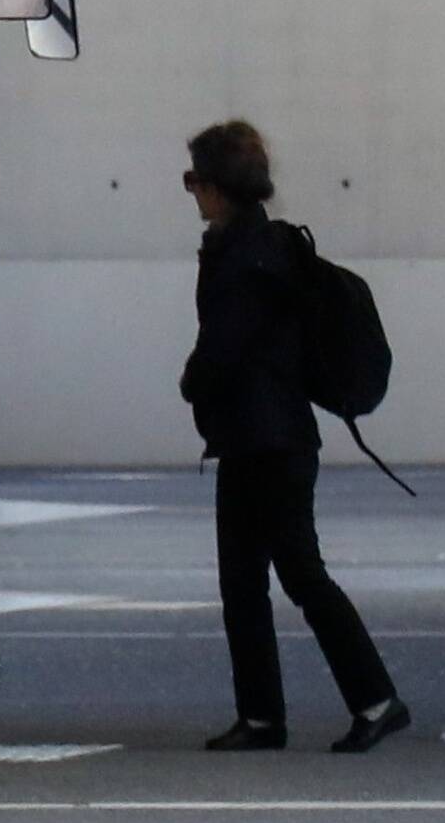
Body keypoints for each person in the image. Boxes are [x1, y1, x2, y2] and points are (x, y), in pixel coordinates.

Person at [175, 116, 408, 755]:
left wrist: (191, 382)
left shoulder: (246, 258)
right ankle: (262, 718)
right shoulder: (258, 247)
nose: (190, 191)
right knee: (246, 581)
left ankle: (375, 700)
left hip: (267, 442)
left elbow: (222, 348)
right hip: (265, 439)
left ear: (218, 186)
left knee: (299, 576)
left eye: (193, 179)